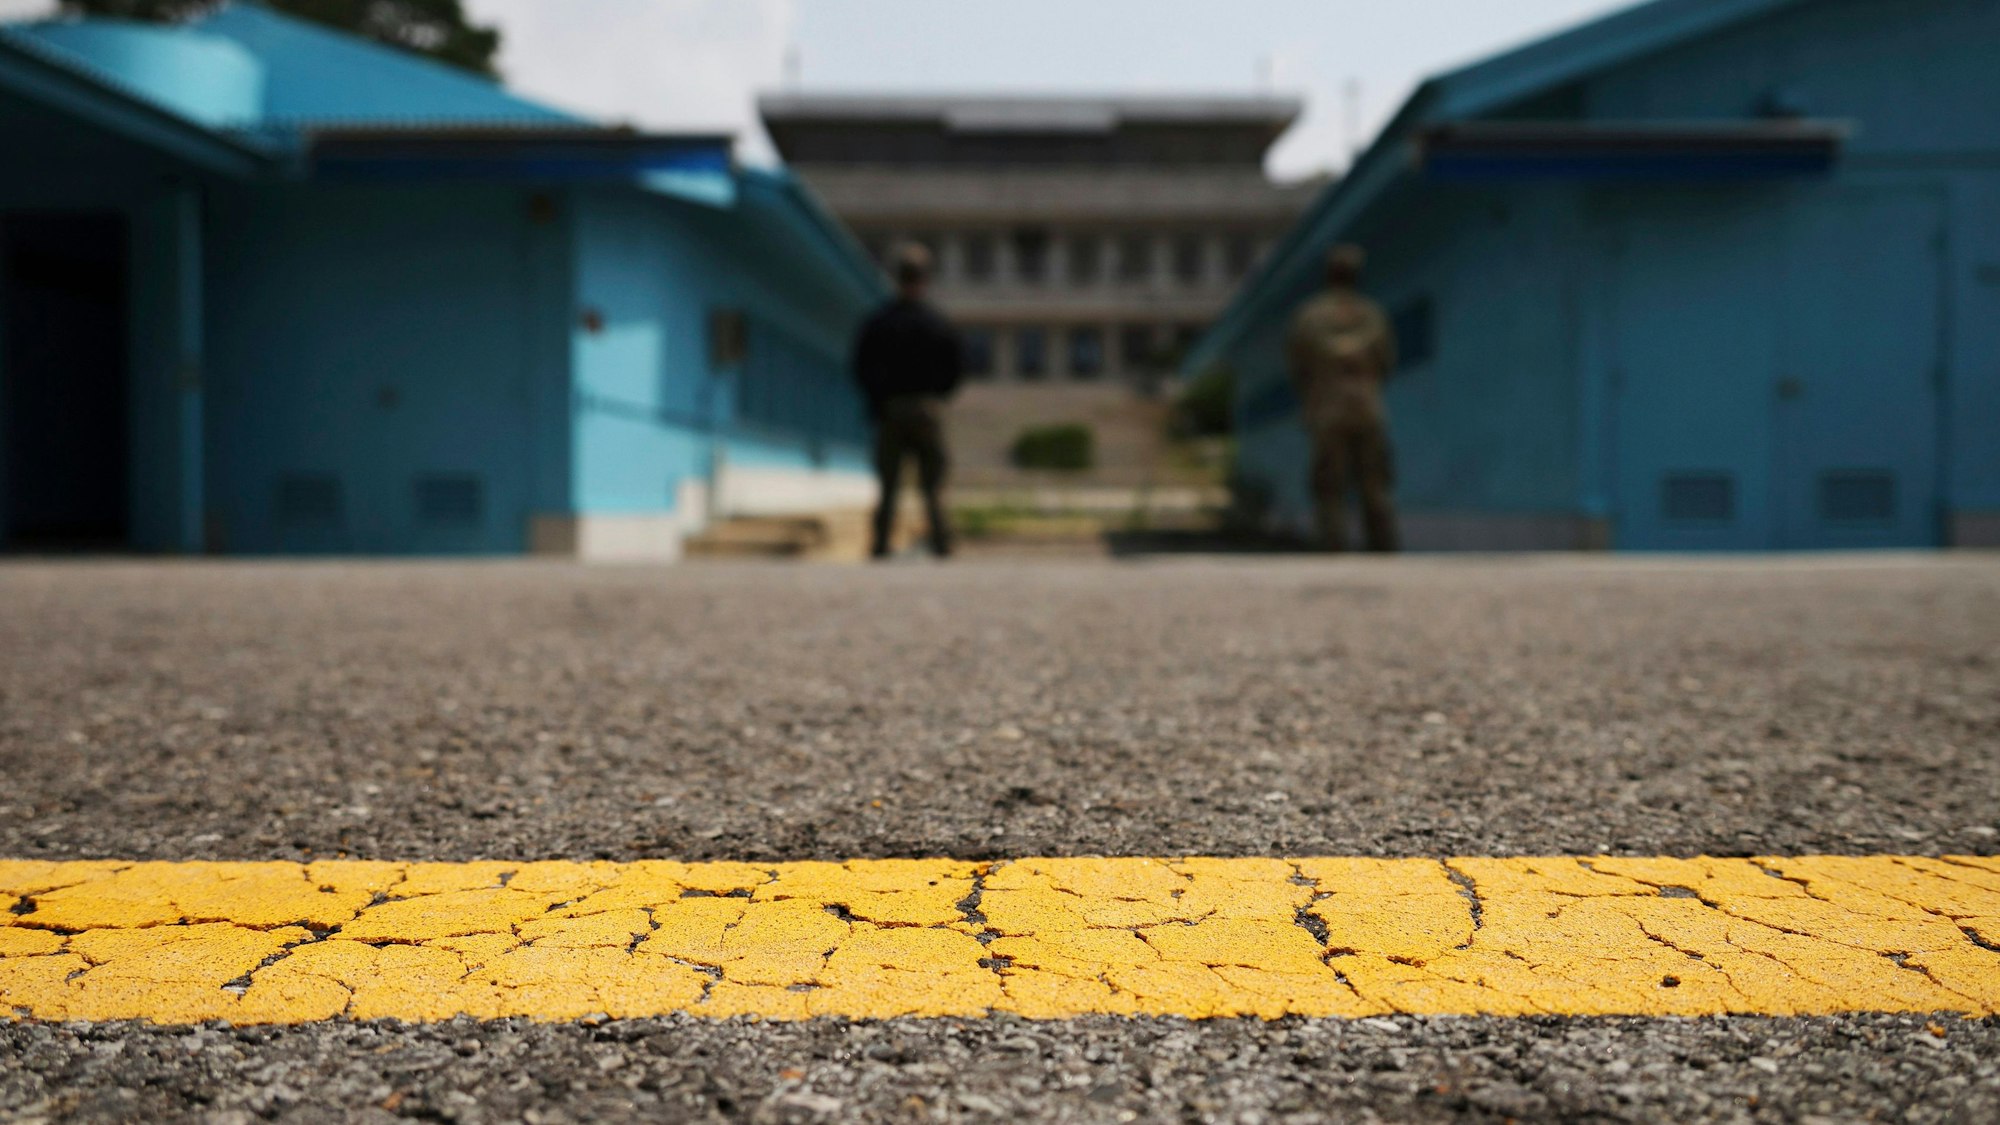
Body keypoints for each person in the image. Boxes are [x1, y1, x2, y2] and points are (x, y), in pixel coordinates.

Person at [853, 243, 965, 559]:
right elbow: (956, 369)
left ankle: (880, 545)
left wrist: (877, 400)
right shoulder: (938, 323)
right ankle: (942, 544)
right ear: (925, 278)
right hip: (927, 409)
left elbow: (861, 366)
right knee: (932, 485)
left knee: (888, 485)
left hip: (891, 409)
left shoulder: (879, 322)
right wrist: (938, 397)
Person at [1286, 244, 1400, 553]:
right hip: (1366, 406)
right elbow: (1387, 361)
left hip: (1326, 408)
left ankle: (1332, 547)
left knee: (1329, 485)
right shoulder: (1372, 315)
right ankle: (1382, 548)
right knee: (1374, 482)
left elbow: (1297, 367)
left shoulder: (1309, 317)